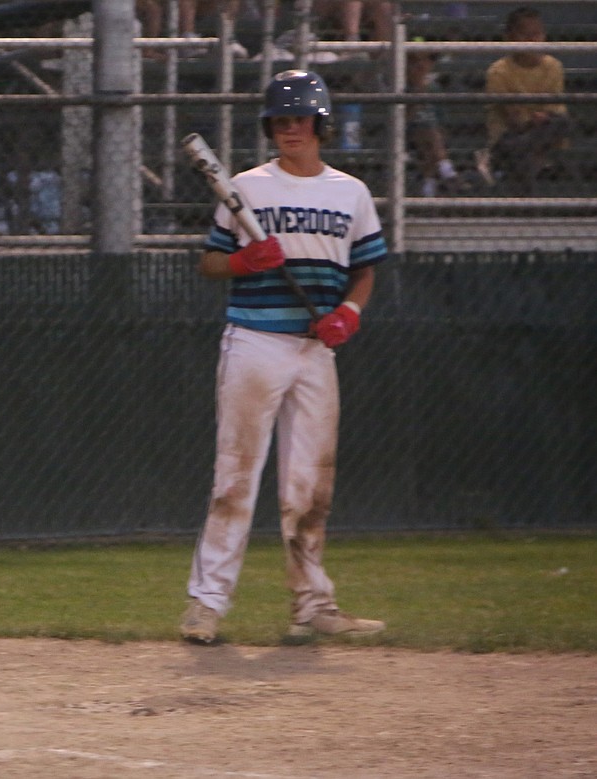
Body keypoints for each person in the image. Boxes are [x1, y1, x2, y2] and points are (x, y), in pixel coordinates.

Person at [179, 70, 389, 645]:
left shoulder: (350, 193)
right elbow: (210, 262)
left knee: (310, 485)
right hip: (255, 341)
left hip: (316, 348)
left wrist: (350, 313)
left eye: (299, 119)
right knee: (235, 477)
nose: (289, 129)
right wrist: (245, 263)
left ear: (319, 123)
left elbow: (364, 270)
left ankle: (313, 606)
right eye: (280, 120)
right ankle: (206, 606)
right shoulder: (247, 186)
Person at [482, 6, 571, 194]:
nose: (532, 40)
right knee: (520, 150)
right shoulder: (499, 71)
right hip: (509, 138)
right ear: (509, 37)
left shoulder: (554, 66)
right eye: (525, 34)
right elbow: (513, 119)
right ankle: (528, 204)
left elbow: (554, 112)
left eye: (537, 33)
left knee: (562, 123)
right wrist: (533, 118)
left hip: (545, 132)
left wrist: (541, 117)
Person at [406, 49, 468, 196]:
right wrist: (417, 94)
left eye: (425, 61)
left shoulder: (434, 88)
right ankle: (447, 171)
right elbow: (402, 121)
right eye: (414, 61)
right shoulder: (403, 88)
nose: (420, 65)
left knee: (431, 138)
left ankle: (429, 188)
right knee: (427, 132)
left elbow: (441, 120)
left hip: (433, 139)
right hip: (408, 135)